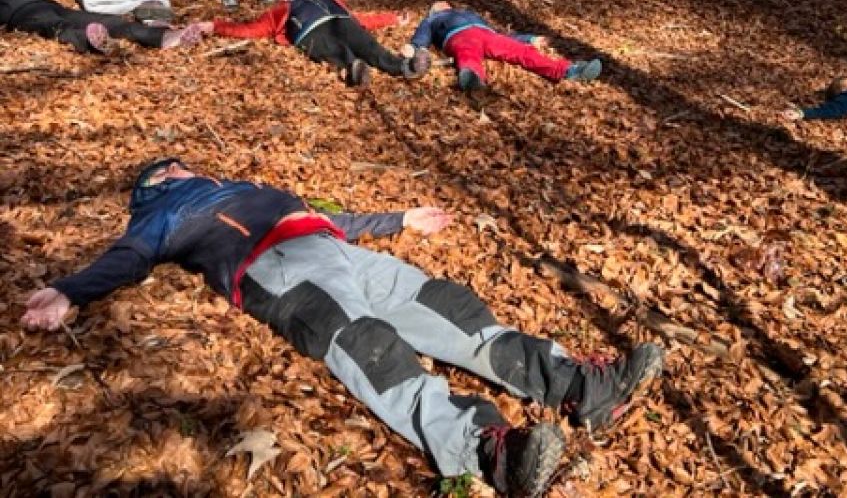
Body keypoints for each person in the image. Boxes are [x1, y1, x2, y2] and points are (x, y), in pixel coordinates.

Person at [22, 159, 665, 497]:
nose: (185, 167)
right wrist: (67, 291)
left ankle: (579, 385)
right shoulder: (165, 212)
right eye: (172, 167)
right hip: (276, 270)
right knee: (370, 348)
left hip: (338, 250)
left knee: (453, 309)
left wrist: (398, 219)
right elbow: (128, 258)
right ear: (158, 182)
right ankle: (489, 452)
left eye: (182, 165)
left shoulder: (242, 186)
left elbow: (327, 215)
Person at [198, 0, 429, 87]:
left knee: (367, 44)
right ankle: (353, 69)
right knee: (336, 50)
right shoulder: (281, 11)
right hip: (309, 32)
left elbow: (361, 20)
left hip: (341, 20)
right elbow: (252, 29)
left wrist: (393, 19)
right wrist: (216, 26)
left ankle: (403, 66)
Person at [406, 1, 603, 92]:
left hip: (488, 34)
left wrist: (529, 39)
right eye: (440, 4)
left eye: (446, 3)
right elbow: (423, 35)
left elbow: (502, 34)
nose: (445, 4)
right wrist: (417, 48)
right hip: (458, 36)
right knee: (467, 54)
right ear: (434, 10)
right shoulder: (433, 19)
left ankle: (570, 70)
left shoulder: (469, 12)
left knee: (522, 51)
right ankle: (472, 79)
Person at [0, 0, 203, 53]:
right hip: (24, 16)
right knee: (58, 27)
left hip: (53, 6)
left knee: (111, 21)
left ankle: (166, 37)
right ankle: (92, 42)